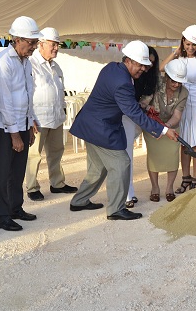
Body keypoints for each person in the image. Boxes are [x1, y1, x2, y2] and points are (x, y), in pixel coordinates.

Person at [69, 41, 179, 220]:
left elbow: (127, 105)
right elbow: (133, 112)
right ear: (128, 60)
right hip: (99, 127)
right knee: (121, 163)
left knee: (98, 169)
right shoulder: (122, 82)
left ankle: (79, 201)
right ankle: (115, 209)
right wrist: (164, 130)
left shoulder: (112, 68)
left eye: (145, 66)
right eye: (140, 65)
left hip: (90, 124)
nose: (143, 69)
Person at [0, 16, 41, 232]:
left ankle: (14, 208)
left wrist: (30, 124)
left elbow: (28, 95)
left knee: (18, 171)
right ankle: (1, 215)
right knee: (2, 172)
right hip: (4, 127)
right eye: (31, 43)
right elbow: (4, 101)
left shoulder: (26, 61)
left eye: (35, 43)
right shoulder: (3, 61)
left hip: (22, 124)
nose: (34, 47)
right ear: (17, 39)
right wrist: (14, 134)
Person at [25, 27, 78, 201]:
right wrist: (29, 117)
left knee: (57, 151)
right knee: (34, 154)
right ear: (41, 44)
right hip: (38, 118)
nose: (56, 48)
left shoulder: (56, 66)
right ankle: (32, 187)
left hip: (55, 117)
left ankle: (57, 183)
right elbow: (25, 92)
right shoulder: (30, 64)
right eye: (53, 44)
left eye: (57, 45)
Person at [161, 25, 196, 193]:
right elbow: (162, 68)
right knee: (183, 144)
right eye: (187, 44)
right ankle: (186, 178)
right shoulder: (178, 59)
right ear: (183, 42)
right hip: (180, 104)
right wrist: (176, 52)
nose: (190, 48)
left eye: (194, 45)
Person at [139, 59, 188, 202]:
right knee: (154, 156)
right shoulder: (155, 84)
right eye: (173, 81)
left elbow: (177, 115)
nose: (176, 85)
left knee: (172, 157)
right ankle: (155, 187)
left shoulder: (184, 92)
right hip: (152, 125)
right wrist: (150, 112)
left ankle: (169, 188)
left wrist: (166, 127)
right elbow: (142, 104)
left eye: (179, 82)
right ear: (166, 76)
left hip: (171, 126)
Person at [124, 46, 160, 208]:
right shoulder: (127, 75)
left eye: (151, 63)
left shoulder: (152, 78)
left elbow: (144, 102)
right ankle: (126, 194)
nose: (147, 67)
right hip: (123, 116)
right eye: (145, 63)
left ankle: (128, 193)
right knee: (124, 156)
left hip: (135, 117)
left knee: (128, 155)